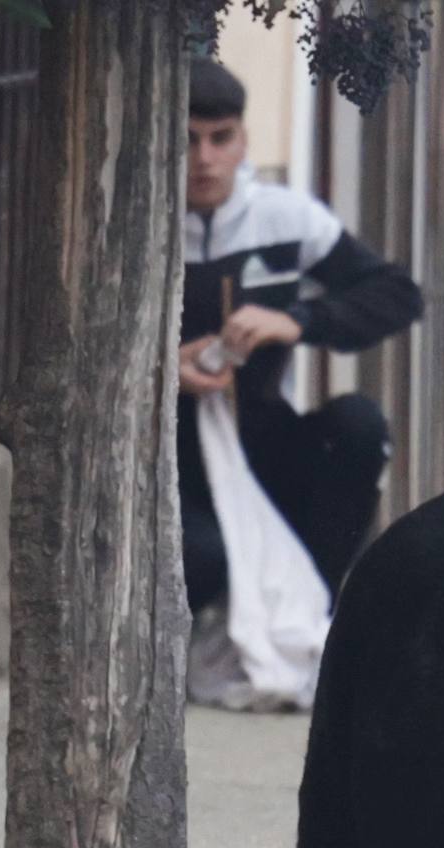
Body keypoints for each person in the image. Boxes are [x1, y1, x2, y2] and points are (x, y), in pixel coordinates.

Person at [177, 60, 419, 680]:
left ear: (243, 141)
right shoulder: (134, 225)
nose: (204, 158)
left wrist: (300, 321)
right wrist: (159, 369)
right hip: (174, 462)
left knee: (358, 425)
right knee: (205, 558)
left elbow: (397, 294)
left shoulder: (284, 219)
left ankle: (314, 615)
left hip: (264, 442)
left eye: (220, 137)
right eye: (186, 140)